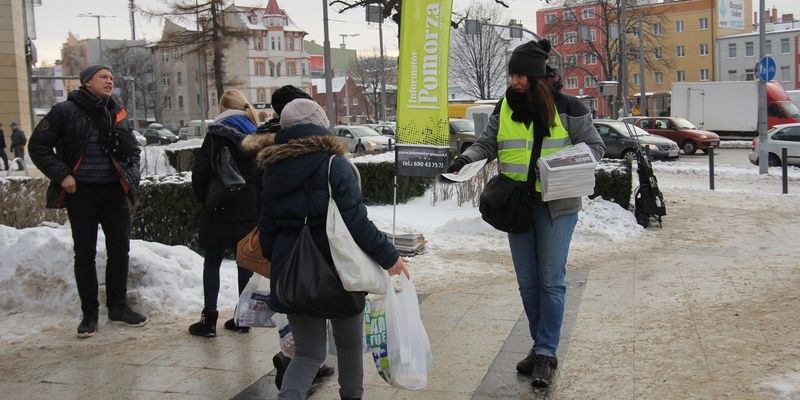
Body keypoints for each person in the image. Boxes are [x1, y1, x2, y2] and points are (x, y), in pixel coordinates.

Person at [448, 39, 605, 388]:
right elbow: (488, 143)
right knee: (528, 282)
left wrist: (559, 166)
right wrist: (466, 159)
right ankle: (541, 345)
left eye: (520, 76)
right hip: (517, 205)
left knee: (551, 280)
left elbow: (595, 147)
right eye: (512, 75)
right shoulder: (504, 106)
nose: (514, 82)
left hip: (557, 206)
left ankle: (546, 352)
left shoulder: (568, 107)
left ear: (537, 77)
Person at [253, 98, 408, 400]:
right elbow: (357, 224)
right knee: (349, 348)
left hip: (293, 277)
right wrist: (390, 258)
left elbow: (267, 229)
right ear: (319, 125)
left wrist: (282, 264)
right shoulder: (335, 166)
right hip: (341, 274)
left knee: (308, 354)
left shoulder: (272, 170)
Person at [28, 64, 146, 338]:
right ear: (86, 82)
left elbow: (132, 149)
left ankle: (118, 306)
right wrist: (63, 175)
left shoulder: (116, 111)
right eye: (103, 77)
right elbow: (38, 146)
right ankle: (89, 314)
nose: (110, 81)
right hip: (81, 193)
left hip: (114, 191)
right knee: (85, 254)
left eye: (112, 78)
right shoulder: (64, 111)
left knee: (120, 250)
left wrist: (131, 175)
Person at [243, 85, 334, 389]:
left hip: (278, 236)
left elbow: (260, 191)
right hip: (309, 239)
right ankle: (298, 361)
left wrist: (271, 247)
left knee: (291, 310)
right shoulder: (313, 146)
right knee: (309, 308)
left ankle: (295, 358)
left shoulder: (263, 142)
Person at [189, 89, 260, 337]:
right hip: (248, 207)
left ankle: (208, 321)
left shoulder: (217, 133)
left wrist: (204, 200)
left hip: (219, 205)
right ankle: (243, 318)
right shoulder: (254, 132)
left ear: (222, 109)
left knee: (212, 261)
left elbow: (200, 172)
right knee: (244, 263)